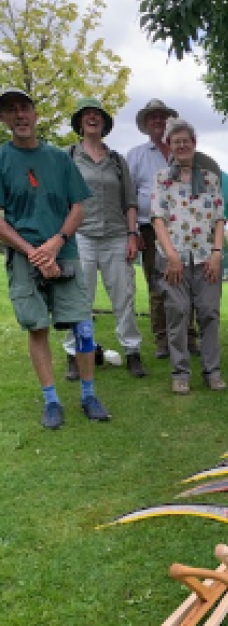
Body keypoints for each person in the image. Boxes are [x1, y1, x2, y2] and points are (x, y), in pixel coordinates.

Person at [0, 87, 111, 429]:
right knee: (38, 329)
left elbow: (78, 207)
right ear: (4, 119)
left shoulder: (60, 159)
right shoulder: (1, 159)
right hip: (24, 257)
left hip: (65, 253)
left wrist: (55, 243)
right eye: (11, 111)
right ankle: (51, 401)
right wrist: (34, 251)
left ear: (35, 115)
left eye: (24, 108)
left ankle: (89, 394)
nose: (19, 115)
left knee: (83, 325)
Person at [62, 97, 146, 380]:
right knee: (77, 299)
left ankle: (132, 352)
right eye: (86, 114)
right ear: (80, 122)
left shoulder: (117, 161)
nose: (92, 118)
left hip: (116, 237)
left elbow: (131, 203)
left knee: (124, 297)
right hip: (80, 238)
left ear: (105, 123)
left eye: (97, 114)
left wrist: (133, 236)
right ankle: (75, 355)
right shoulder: (68, 156)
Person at [127, 99, 208, 359]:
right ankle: (163, 340)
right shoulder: (136, 155)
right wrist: (133, 231)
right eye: (153, 117)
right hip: (150, 228)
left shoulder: (184, 151)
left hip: (187, 227)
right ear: (146, 124)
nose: (158, 121)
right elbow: (128, 196)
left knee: (190, 281)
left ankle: (189, 336)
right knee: (158, 284)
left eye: (162, 117)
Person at [150, 117, 226, 394]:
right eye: (176, 141)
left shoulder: (210, 178)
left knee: (209, 312)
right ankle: (180, 372)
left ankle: (212, 371)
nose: (181, 145)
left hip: (206, 258)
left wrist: (217, 253)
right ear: (169, 146)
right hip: (173, 260)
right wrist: (171, 256)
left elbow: (219, 218)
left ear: (194, 144)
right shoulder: (161, 179)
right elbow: (157, 219)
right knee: (178, 312)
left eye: (186, 141)